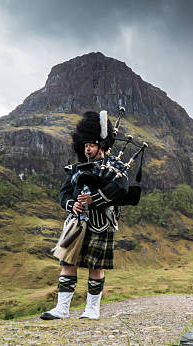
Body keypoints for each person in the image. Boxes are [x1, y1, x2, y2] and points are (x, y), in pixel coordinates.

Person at [41, 110, 130, 320]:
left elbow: (122, 188)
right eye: (85, 145)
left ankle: (92, 310)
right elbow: (63, 193)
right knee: (67, 263)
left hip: (101, 223)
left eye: (90, 144)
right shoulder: (76, 169)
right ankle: (62, 309)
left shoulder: (116, 167)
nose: (87, 148)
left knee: (95, 266)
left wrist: (95, 199)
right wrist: (72, 205)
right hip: (76, 223)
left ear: (101, 145)